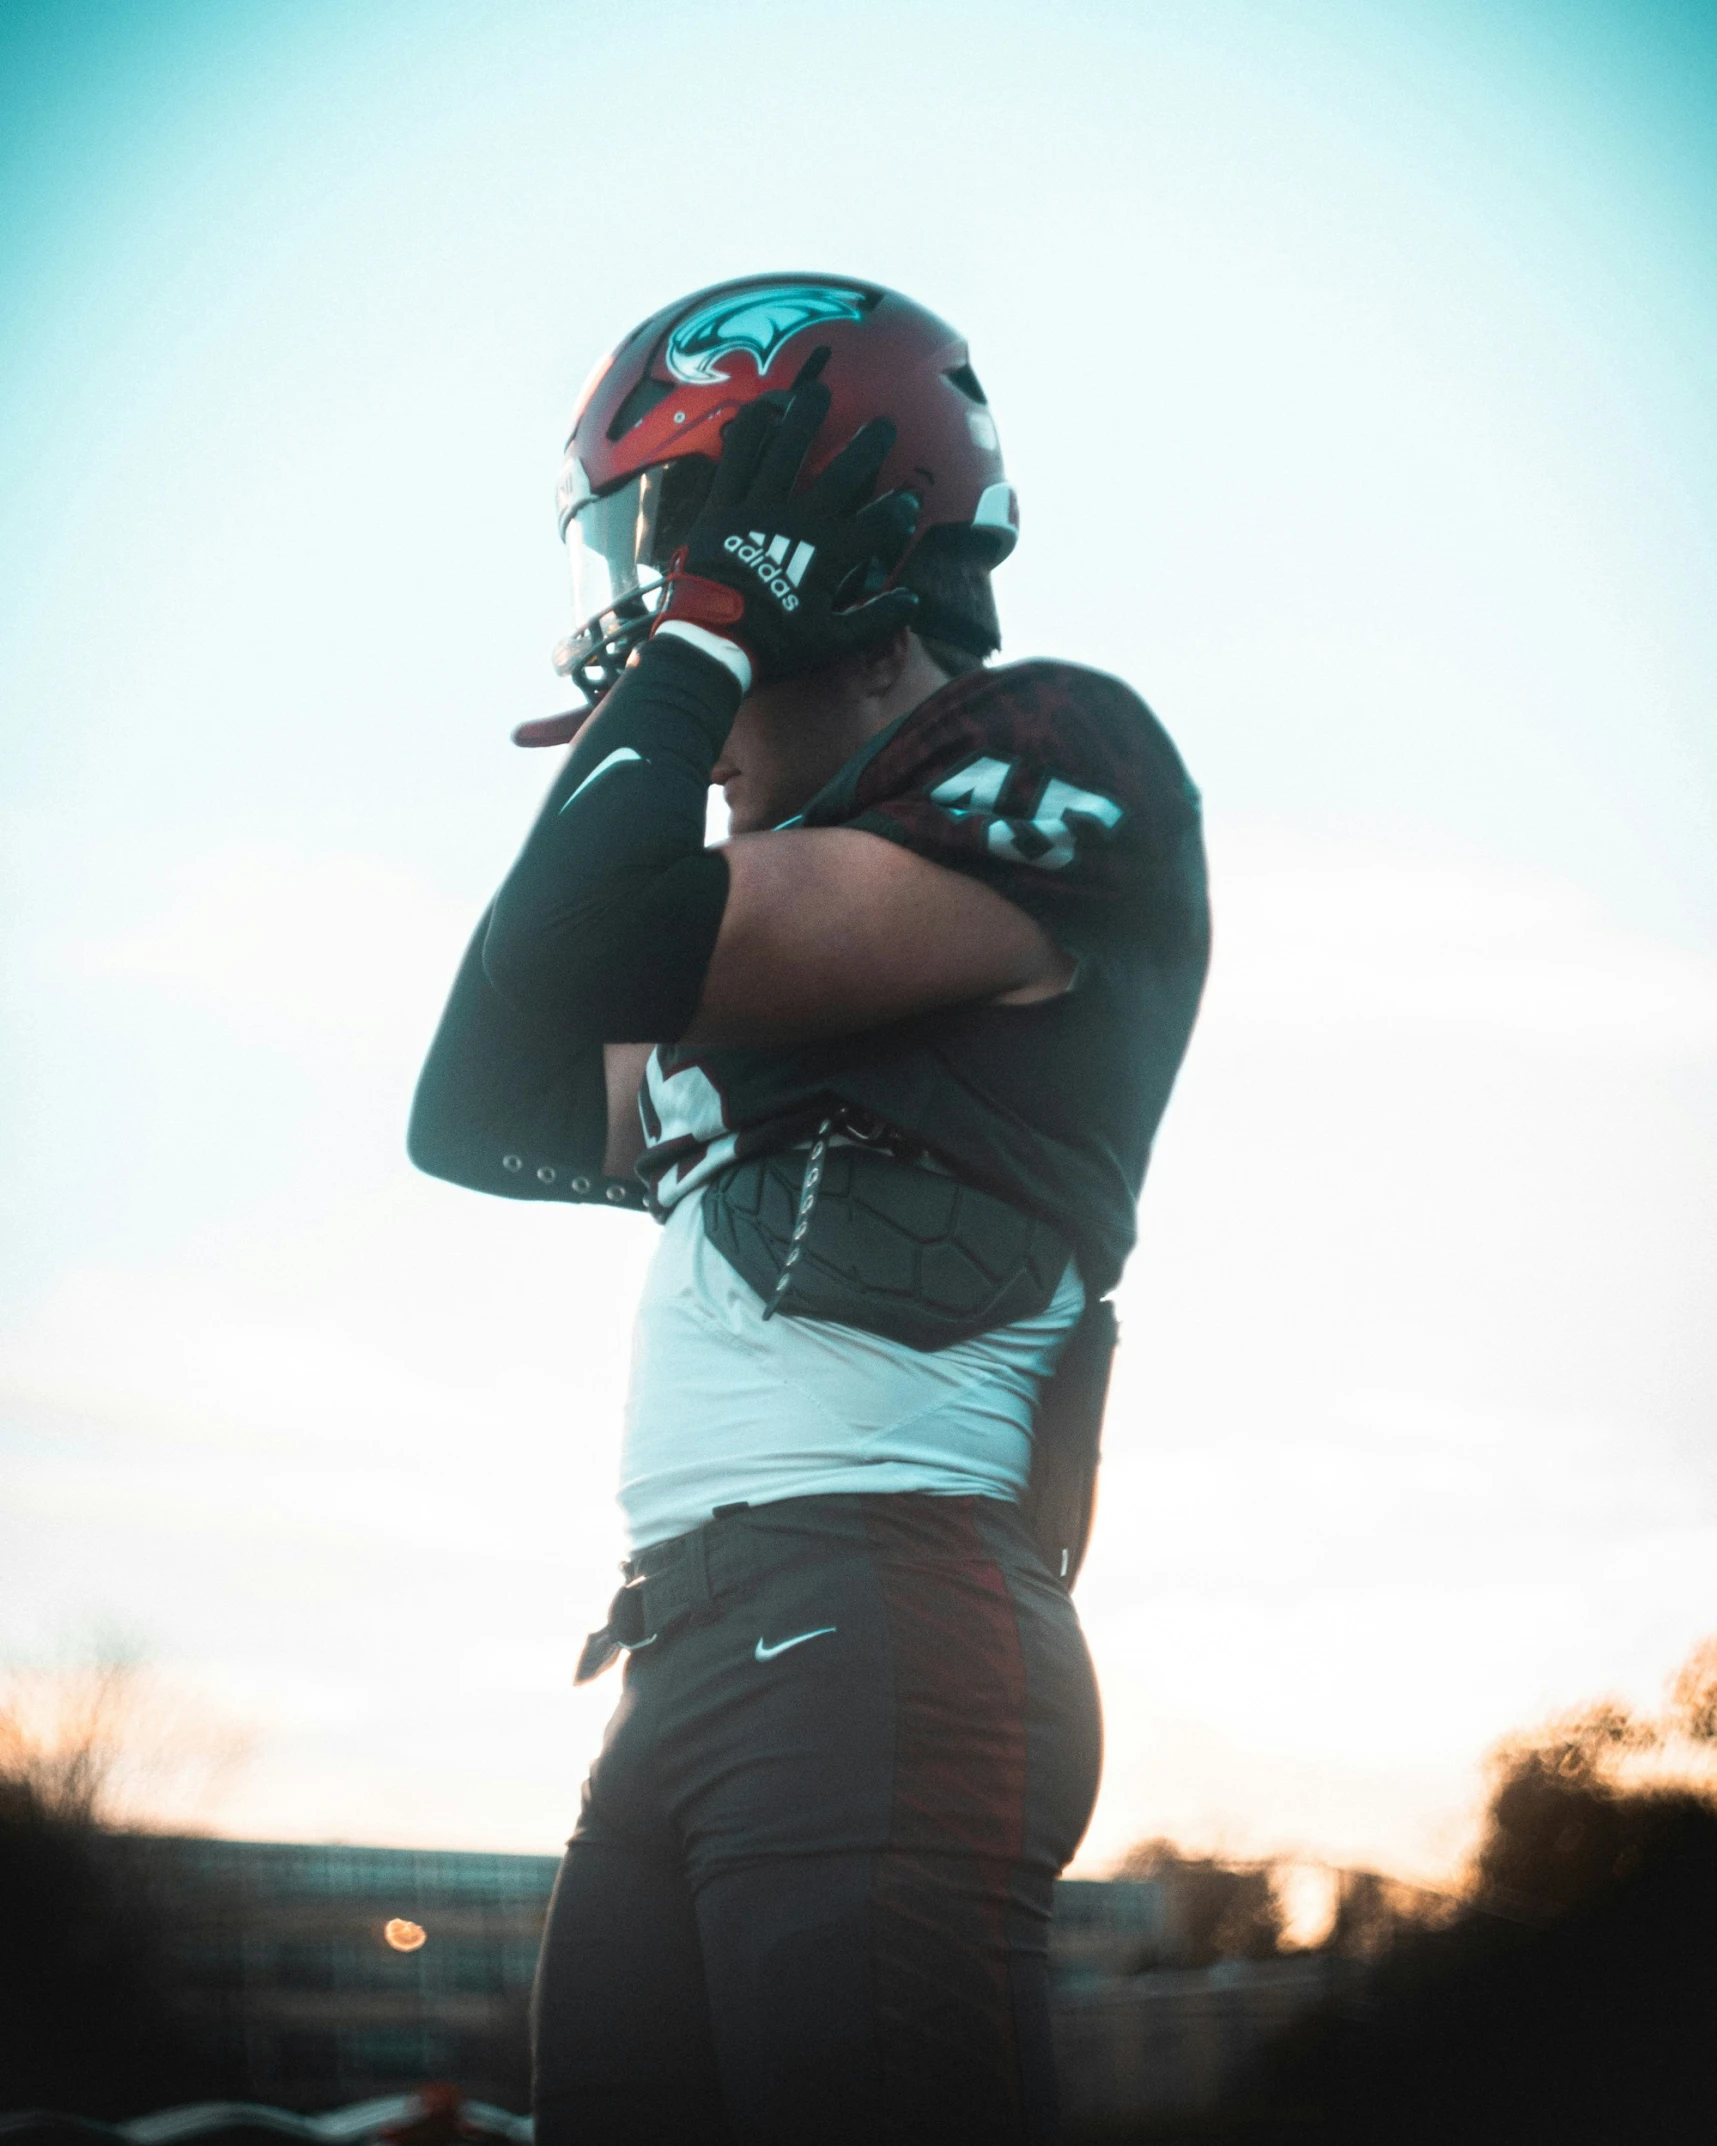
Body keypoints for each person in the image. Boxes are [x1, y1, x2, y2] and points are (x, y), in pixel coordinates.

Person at [409, 275, 1210, 2146]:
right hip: (692, 1643)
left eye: (666, 544)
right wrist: (680, 687)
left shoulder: (1056, 748)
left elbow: (597, 939)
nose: (635, 610)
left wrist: (693, 657)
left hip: (878, 1609)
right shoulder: (764, 913)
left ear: (819, 554)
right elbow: (477, 1102)